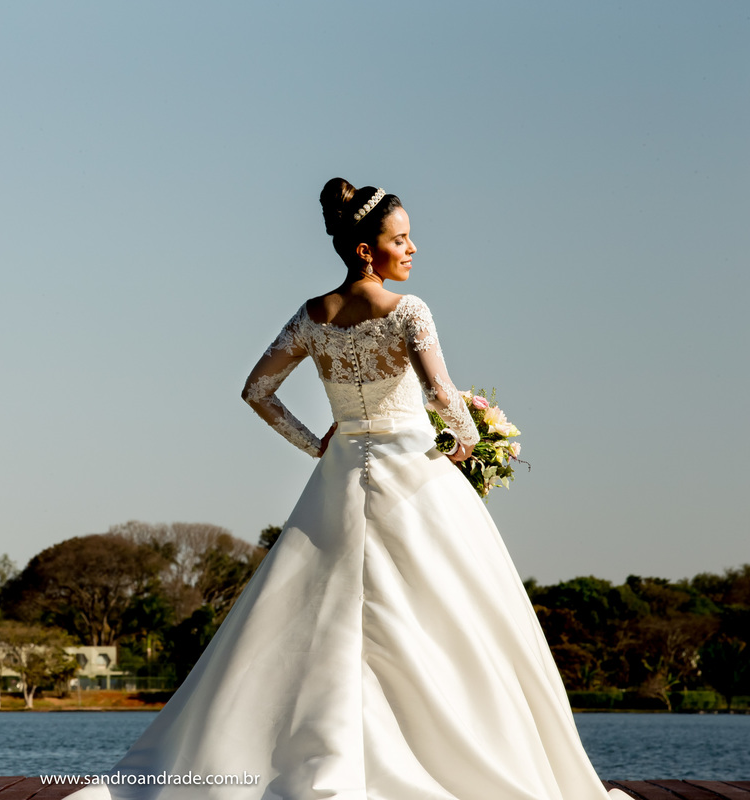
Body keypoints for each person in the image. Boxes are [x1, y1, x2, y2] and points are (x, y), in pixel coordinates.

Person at [63, 179, 630, 799]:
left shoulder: (313, 316)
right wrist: (466, 438)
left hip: (340, 473)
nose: (412, 248)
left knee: (311, 612)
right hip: (414, 472)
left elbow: (256, 391)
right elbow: (439, 392)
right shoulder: (409, 312)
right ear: (366, 250)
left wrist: (317, 444)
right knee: (451, 612)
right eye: (401, 239)